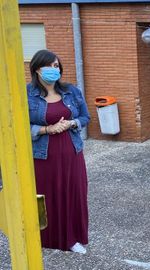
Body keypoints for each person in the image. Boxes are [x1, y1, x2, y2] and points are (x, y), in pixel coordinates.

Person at [27, 50, 90, 254]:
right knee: (47, 197)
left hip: (72, 152)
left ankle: (71, 239)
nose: (54, 70)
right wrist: (47, 129)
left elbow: (85, 117)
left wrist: (73, 122)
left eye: (57, 66)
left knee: (74, 194)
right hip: (43, 156)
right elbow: (18, 126)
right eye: (50, 66)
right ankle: (44, 238)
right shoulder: (27, 95)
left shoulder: (71, 91)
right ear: (37, 69)